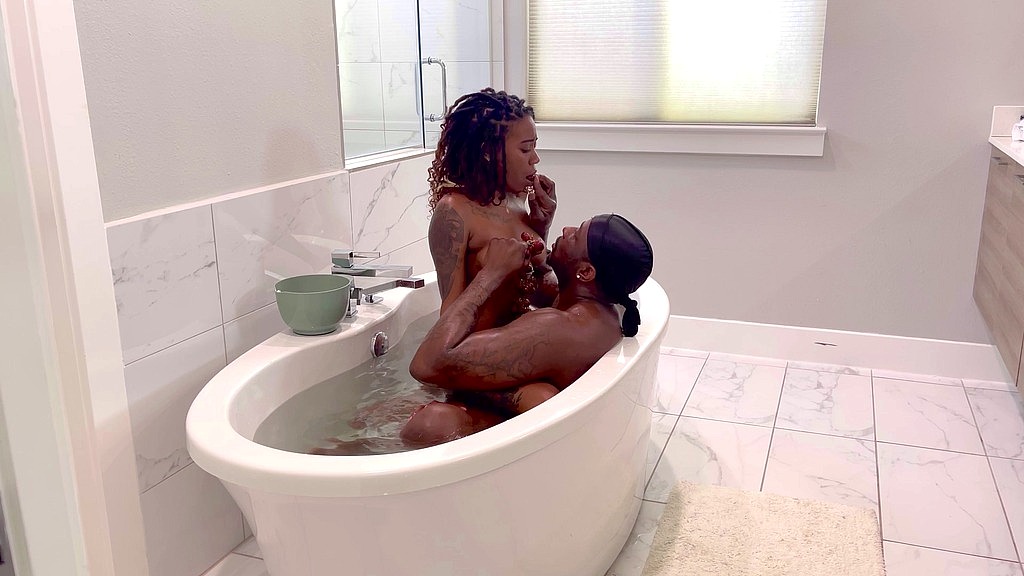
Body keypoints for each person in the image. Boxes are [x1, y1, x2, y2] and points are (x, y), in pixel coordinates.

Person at [402, 214, 654, 447]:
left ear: (586, 272)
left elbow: (426, 365)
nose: (566, 230)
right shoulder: (603, 309)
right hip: (549, 428)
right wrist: (540, 230)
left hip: (527, 445)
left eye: (576, 235)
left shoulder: (559, 327)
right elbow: (543, 285)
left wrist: (491, 273)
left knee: (431, 423)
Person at [427, 88, 559, 331]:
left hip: (520, 340)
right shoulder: (454, 212)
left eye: (534, 147)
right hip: (481, 348)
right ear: (488, 152)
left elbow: (533, 291)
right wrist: (493, 272)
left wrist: (542, 226)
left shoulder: (517, 200)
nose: (535, 159)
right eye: (525, 149)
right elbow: (448, 325)